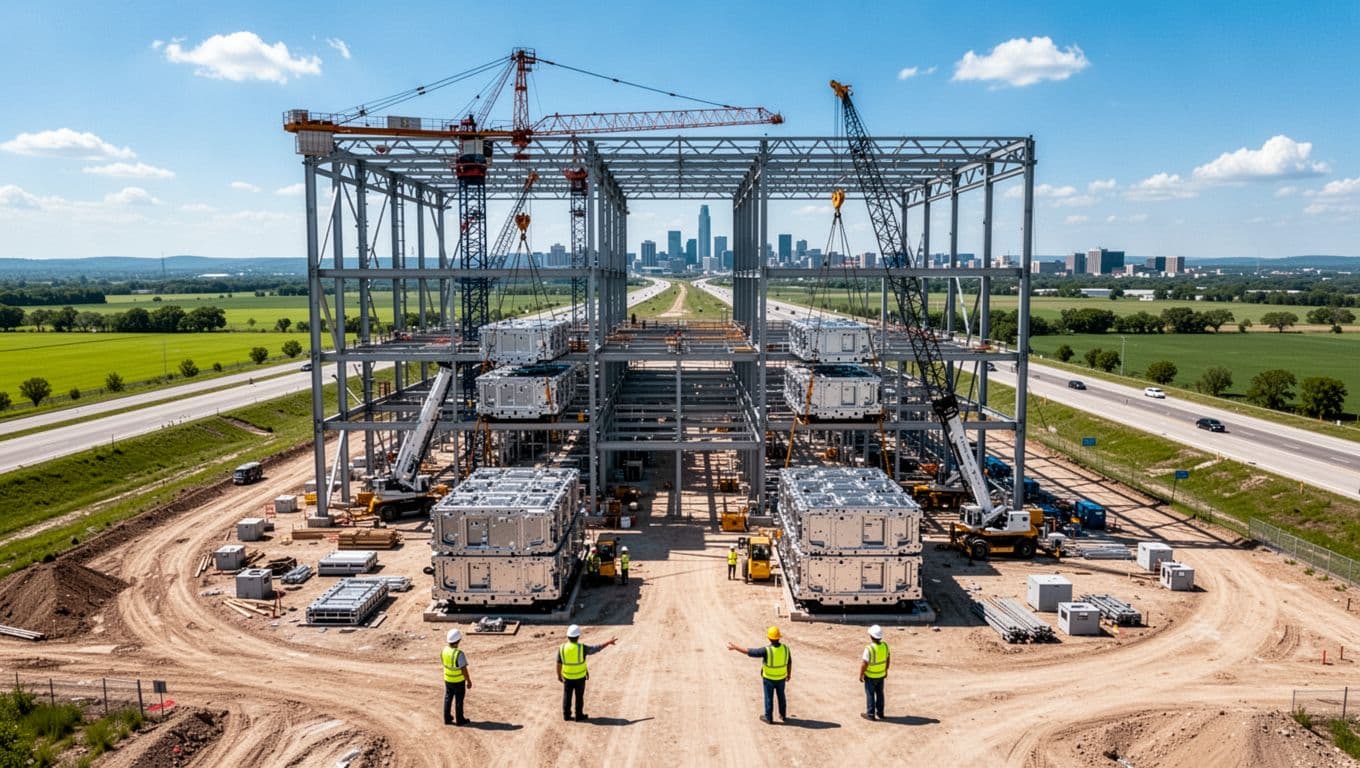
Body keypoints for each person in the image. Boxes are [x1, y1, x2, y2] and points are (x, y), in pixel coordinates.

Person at [726, 626, 791, 723]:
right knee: (781, 696)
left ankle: (768, 718)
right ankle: (783, 715)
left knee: (769, 698)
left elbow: (749, 652)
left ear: (769, 638)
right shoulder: (786, 649)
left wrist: (735, 647)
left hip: (769, 679)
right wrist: (788, 674)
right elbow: (789, 662)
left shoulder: (766, 650)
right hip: (781, 678)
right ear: (779, 637)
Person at [557, 624, 618, 722]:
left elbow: (558, 663)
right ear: (578, 636)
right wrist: (609, 642)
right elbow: (596, 648)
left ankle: (566, 716)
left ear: (568, 636)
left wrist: (559, 675)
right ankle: (579, 716)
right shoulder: (582, 648)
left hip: (567, 677)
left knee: (567, 696)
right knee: (579, 697)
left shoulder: (562, 648)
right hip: (580, 678)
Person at [441, 628, 473, 726]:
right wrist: (468, 681)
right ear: (458, 640)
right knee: (459, 700)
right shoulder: (459, 654)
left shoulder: (444, 650)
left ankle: (447, 718)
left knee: (448, 698)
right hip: (458, 681)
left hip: (447, 679)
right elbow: (464, 670)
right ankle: (460, 720)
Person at [859, 624, 890, 721]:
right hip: (881, 675)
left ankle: (871, 714)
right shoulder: (885, 646)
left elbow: (864, 663)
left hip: (870, 676)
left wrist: (861, 674)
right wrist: (885, 670)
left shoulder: (869, 649)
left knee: (870, 694)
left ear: (871, 636)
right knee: (880, 694)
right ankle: (880, 713)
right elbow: (888, 659)